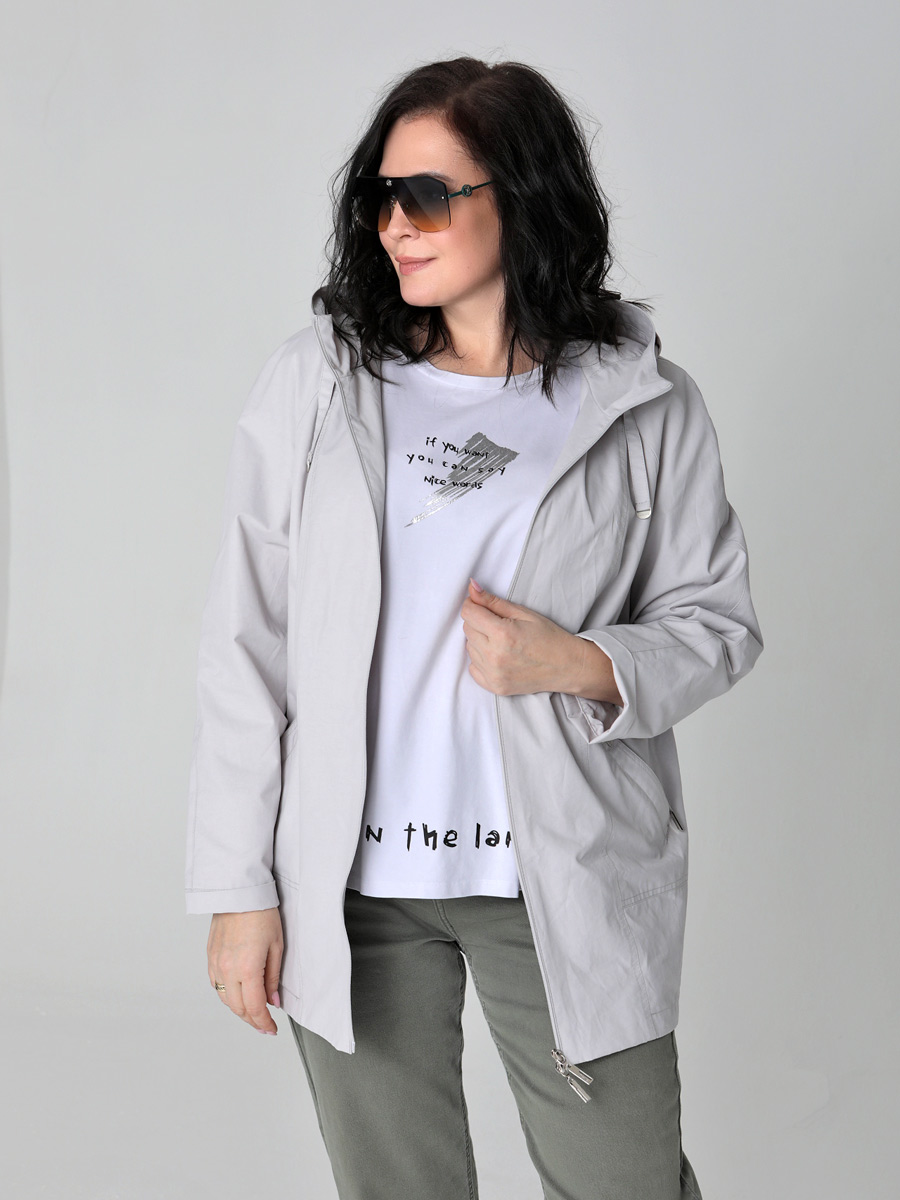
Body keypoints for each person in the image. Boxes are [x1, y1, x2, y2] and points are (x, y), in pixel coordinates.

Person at [185, 55, 763, 1200]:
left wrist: (584, 661)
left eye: (429, 196)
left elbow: (717, 621)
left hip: (560, 874)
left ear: (525, 194)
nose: (396, 225)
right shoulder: (318, 385)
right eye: (382, 198)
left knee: (626, 1182)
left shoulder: (643, 401)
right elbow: (247, 642)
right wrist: (238, 886)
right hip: (354, 885)